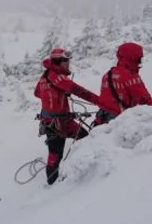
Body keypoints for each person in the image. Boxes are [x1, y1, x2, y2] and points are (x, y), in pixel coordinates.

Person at [34, 48, 118, 185]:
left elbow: (37, 93)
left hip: (61, 120)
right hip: (55, 123)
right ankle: (52, 184)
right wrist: (103, 103)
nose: (68, 64)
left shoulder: (45, 76)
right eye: (66, 61)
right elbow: (81, 92)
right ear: (58, 61)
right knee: (56, 153)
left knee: (84, 138)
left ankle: (75, 168)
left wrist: (56, 94)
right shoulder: (58, 78)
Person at [93, 42, 152, 126]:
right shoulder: (130, 76)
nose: (139, 63)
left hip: (100, 121)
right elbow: (144, 100)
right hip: (119, 123)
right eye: (139, 59)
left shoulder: (107, 75)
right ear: (133, 58)